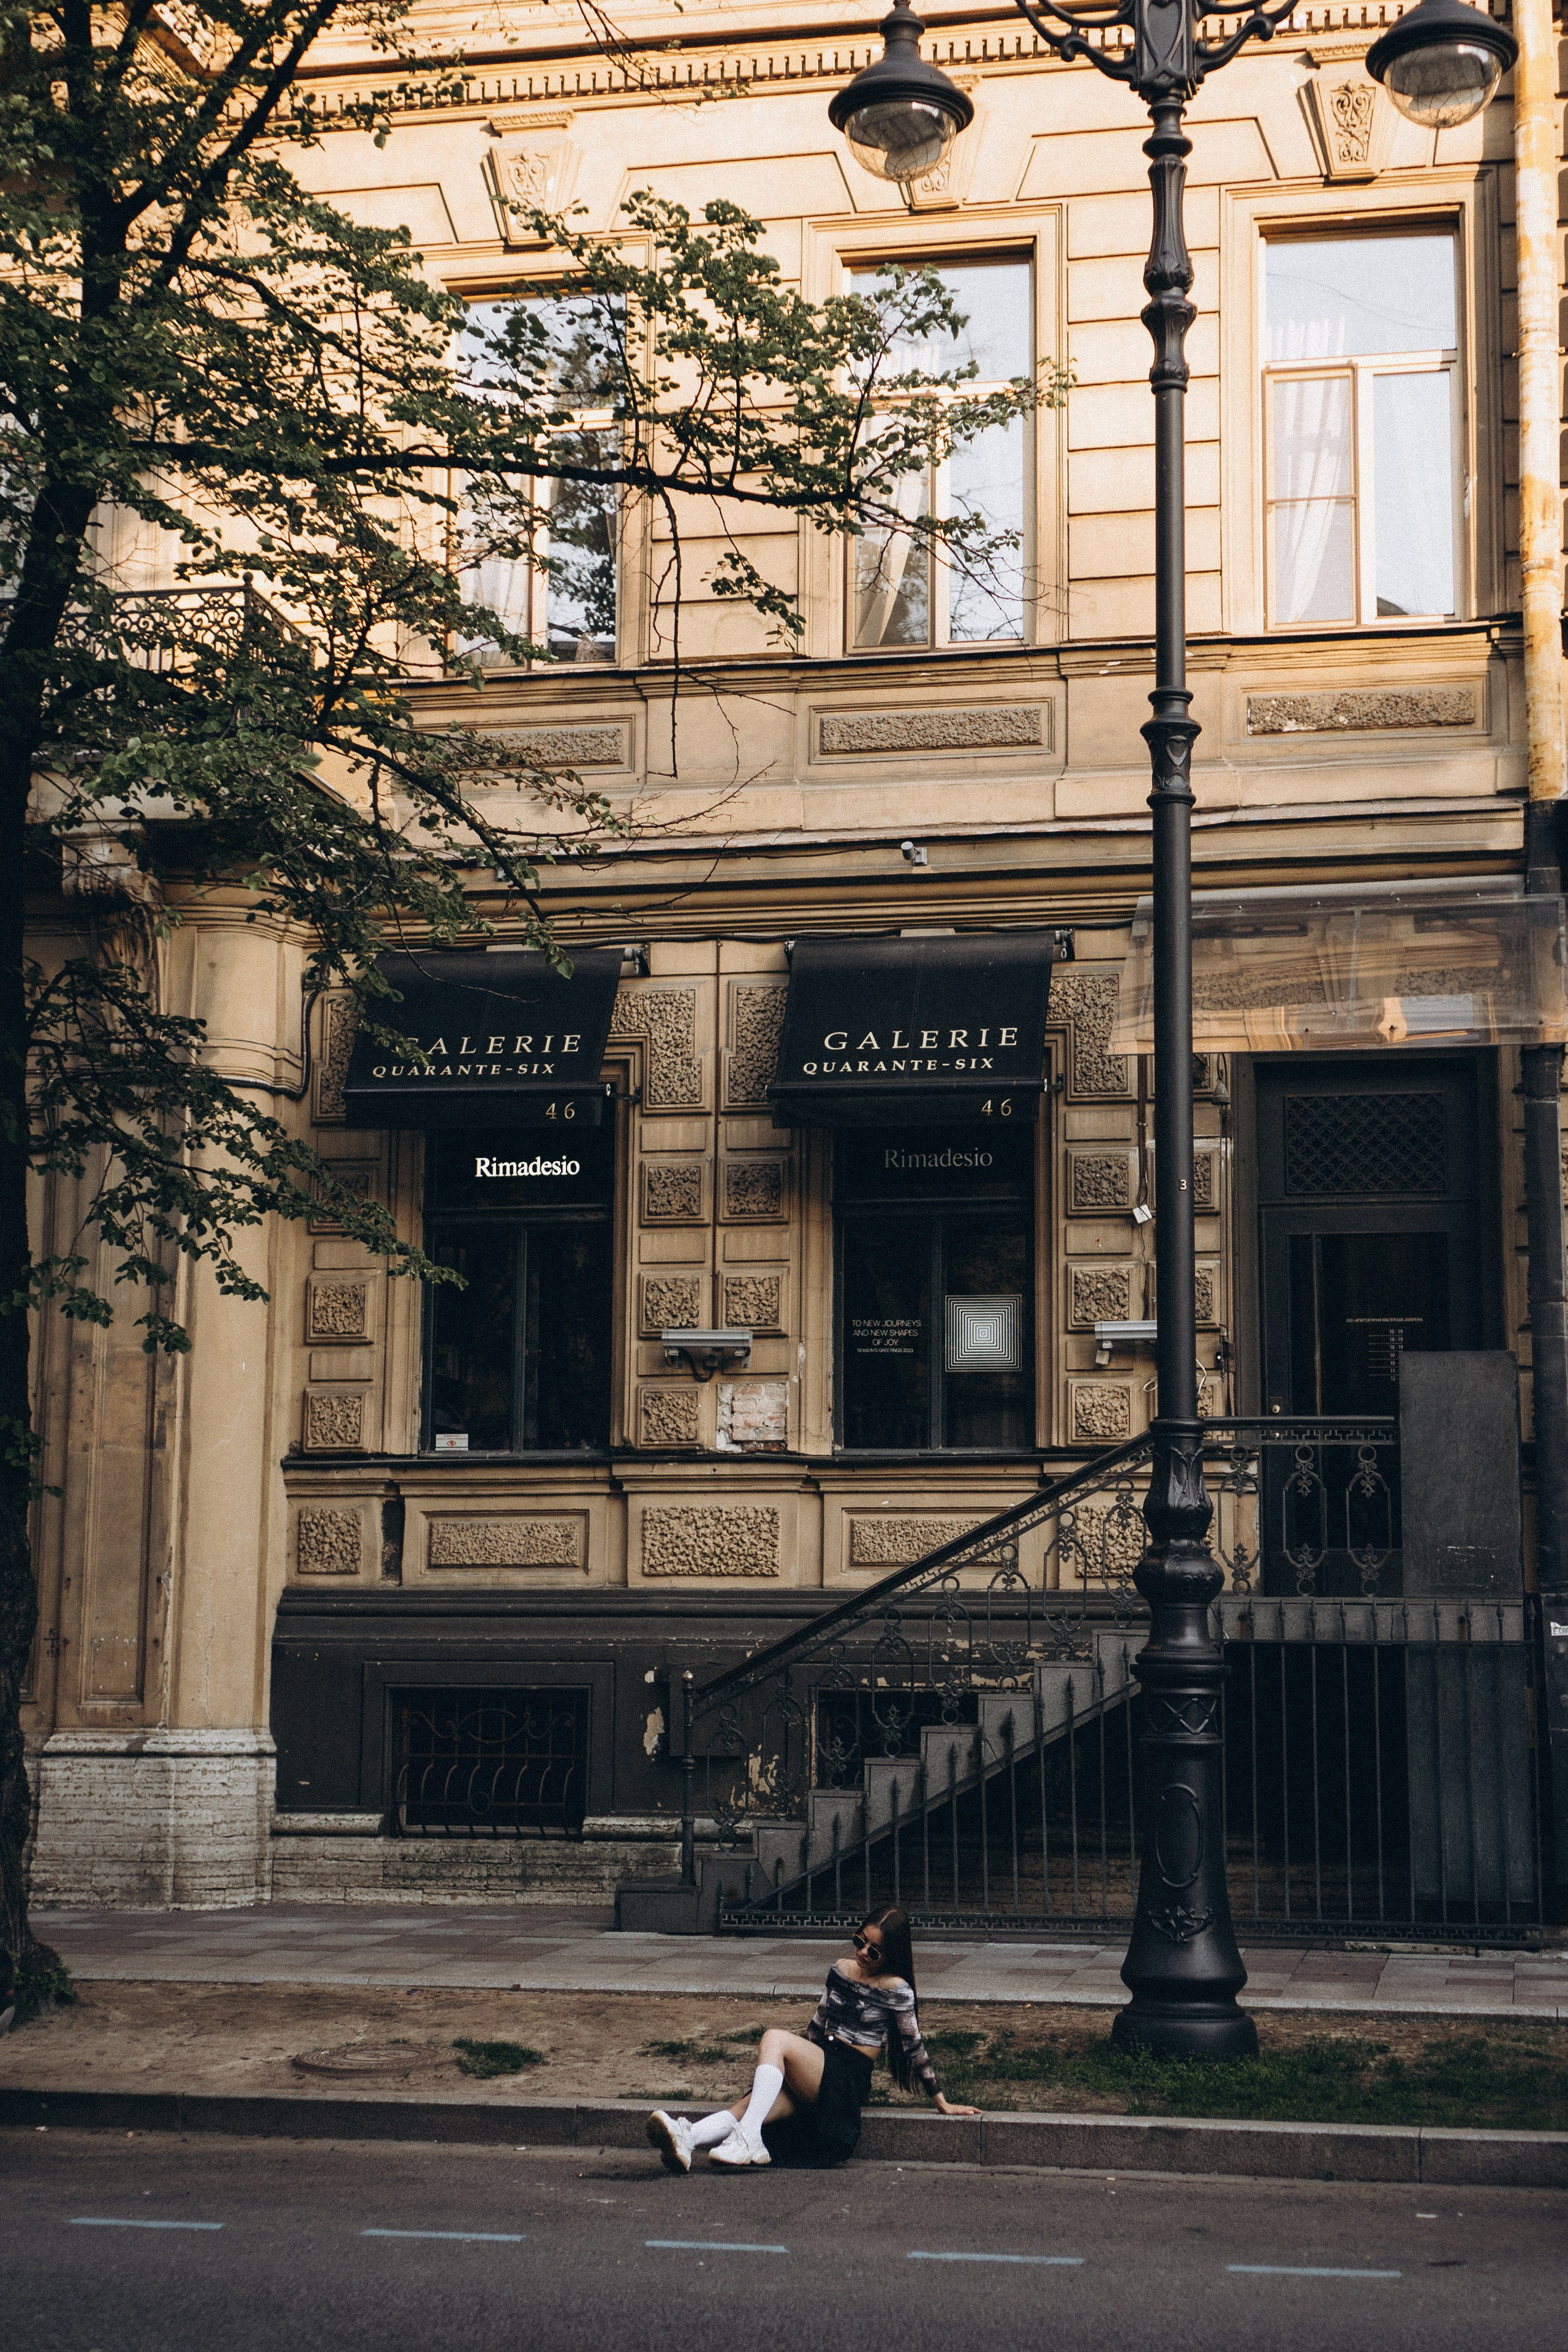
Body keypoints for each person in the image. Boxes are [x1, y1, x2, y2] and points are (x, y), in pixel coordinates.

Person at [646, 1902, 979, 2172]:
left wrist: (941, 2101)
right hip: (819, 2065)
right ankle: (688, 2140)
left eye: (874, 1951)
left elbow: (914, 2046)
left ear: (890, 1955)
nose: (863, 1953)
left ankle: (748, 2138)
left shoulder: (897, 1989)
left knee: (773, 2037)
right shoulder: (840, 1969)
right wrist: (788, 2069)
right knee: (750, 2107)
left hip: (846, 2078)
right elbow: (818, 2022)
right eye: (860, 1941)